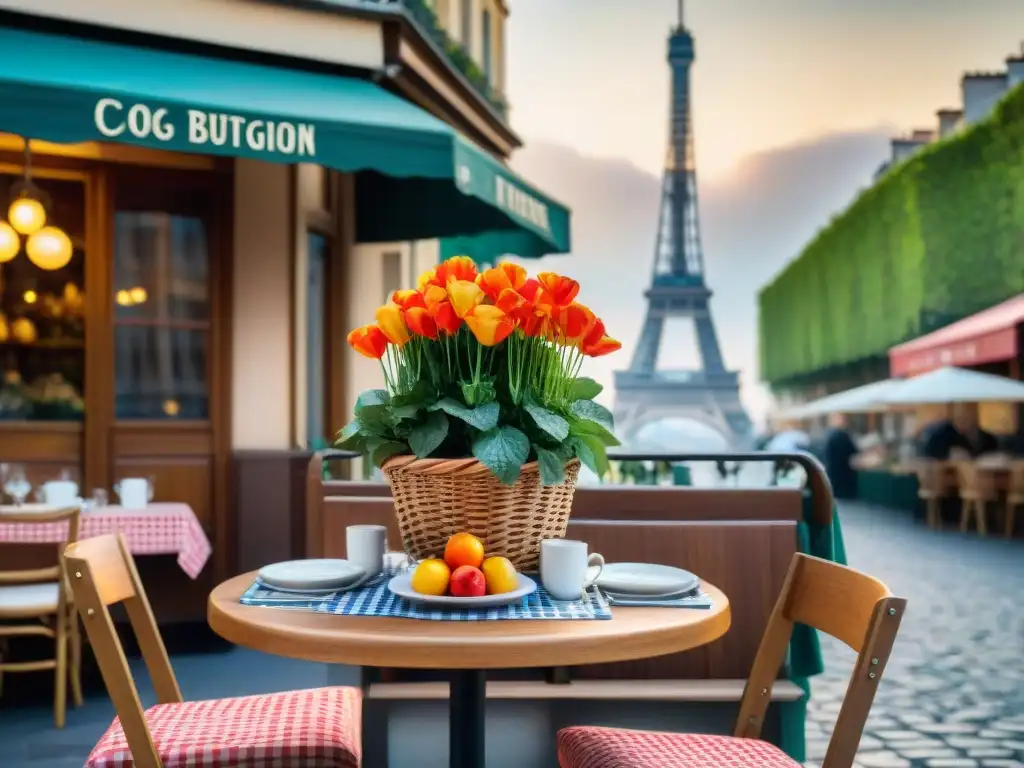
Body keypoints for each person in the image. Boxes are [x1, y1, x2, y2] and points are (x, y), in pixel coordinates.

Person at [822, 413, 859, 500]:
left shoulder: (831, 435)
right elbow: (853, 450)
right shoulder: (844, 436)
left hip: (834, 466)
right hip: (844, 466)